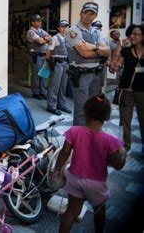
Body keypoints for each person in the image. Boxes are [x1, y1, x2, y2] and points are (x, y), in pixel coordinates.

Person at [52, 94, 126, 233]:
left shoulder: (74, 132)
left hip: (74, 178)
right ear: (107, 117)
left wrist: (57, 169)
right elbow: (118, 165)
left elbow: (64, 152)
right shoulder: (111, 141)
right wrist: (122, 154)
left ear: (85, 112)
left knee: (71, 211)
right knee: (99, 211)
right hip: (97, 184)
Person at [65, 2, 110, 126]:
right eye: (85, 12)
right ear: (81, 13)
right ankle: (79, 140)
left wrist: (93, 47)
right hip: (81, 75)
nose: (88, 16)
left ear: (95, 16)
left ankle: (89, 135)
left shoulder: (96, 31)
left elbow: (107, 51)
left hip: (96, 74)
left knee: (93, 108)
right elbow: (85, 53)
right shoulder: (73, 31)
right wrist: (99, 50)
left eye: (92, 14)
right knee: (81, 109)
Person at [110, 24, 144, 152]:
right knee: (125, 120)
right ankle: (125, 146)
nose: (132, 36)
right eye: (131, 34)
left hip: (142, 90)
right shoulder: (126, 50)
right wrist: (119, 49)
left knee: (143, 119)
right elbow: (114, 67)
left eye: (136, 34)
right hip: (126, 90)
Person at [45, 20, 72, 115]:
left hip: (65, 63)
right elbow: (48, 52)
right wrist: (49, 63)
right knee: (54, 85)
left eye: (66, 27)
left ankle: (61, 104)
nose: (64, 28)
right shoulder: (55, 38)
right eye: (62, 26)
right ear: (58, 28)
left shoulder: (67, 38)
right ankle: (51, 106)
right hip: (57, 63)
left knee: (63, 85)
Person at [26, 14, 51, 100]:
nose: (40, 22)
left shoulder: (41, 30)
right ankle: (36, 93)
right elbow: (40, 41)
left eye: (40, 20)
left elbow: (50, 37)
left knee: (44, 74)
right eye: (38, 21)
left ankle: (43, 92)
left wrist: (44, 38)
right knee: (36, 75)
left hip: (44, 55)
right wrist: (45, 39)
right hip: (35, 56)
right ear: (33, 22)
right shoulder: (30, 32)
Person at [91, 21, 109, 93]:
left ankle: (98, 100)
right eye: (95, 27)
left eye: (99, 27)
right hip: (93, 62)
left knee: (100, 83)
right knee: (92, 83)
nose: (98, 29)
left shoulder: (104, 38)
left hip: (102, 62)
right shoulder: (89, 37)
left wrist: (108, 60)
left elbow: (108, 50)